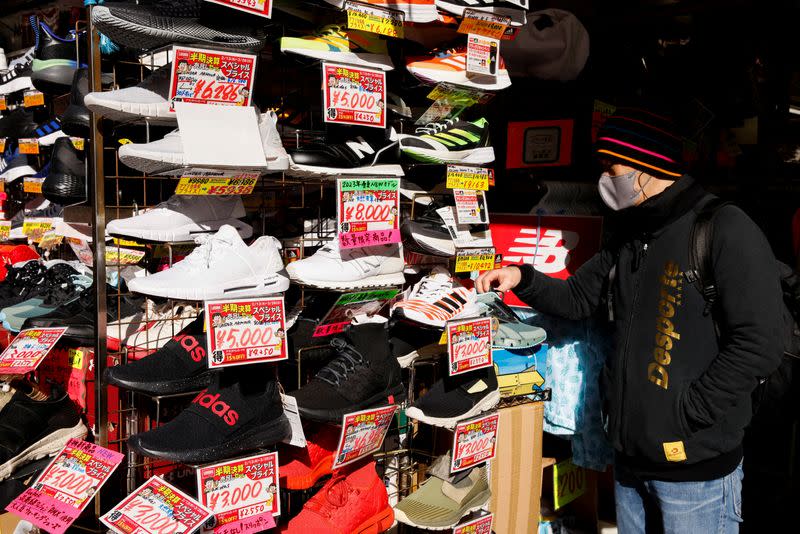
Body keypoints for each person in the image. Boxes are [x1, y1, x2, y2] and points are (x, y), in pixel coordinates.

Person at [476, 107, 783, 533]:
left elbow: (761, 341)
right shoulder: (630, 232)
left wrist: (689, 412)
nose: (606, 176)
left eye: (612, 165)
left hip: (695, 471)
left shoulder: (724, 227)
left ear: (648, 166)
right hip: (628, 461)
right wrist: (520, 278)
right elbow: (580, 298)